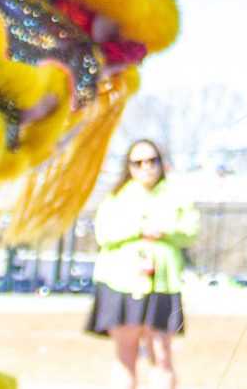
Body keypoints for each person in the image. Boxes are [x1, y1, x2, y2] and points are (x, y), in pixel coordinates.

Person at [86, 139, 195, 389]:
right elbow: (104, 233)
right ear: (128, 167)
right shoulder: (116, 198)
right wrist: (137, 229)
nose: (146, 167)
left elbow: (191, 230)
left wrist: (164, 231)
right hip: (120, 283)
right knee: (126, 356)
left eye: (152, 160)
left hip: (162, 285)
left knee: (162, 354)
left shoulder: (176, 196)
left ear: (161, 162)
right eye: (138, 162)